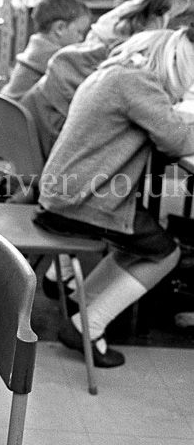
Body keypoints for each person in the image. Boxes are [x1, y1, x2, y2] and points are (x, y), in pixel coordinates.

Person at [35, 27, 194, 367]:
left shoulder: (113, 74)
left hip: (65, 194)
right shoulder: (138, 84)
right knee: (166, 252)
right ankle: (88, 326)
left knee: (138, 240)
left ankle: (84, 301)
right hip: (85, 201)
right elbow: (179, 142)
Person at [21, 0, 194, 160]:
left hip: (51, 110)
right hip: (64, 126)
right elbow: (160, 118)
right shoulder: (149, 32)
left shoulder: (129, 14)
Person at [0, 0, 91, 100]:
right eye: (79, 32)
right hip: (24, 115)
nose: (81, 39)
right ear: (60, 28)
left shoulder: (36, 48)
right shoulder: (56, 57)